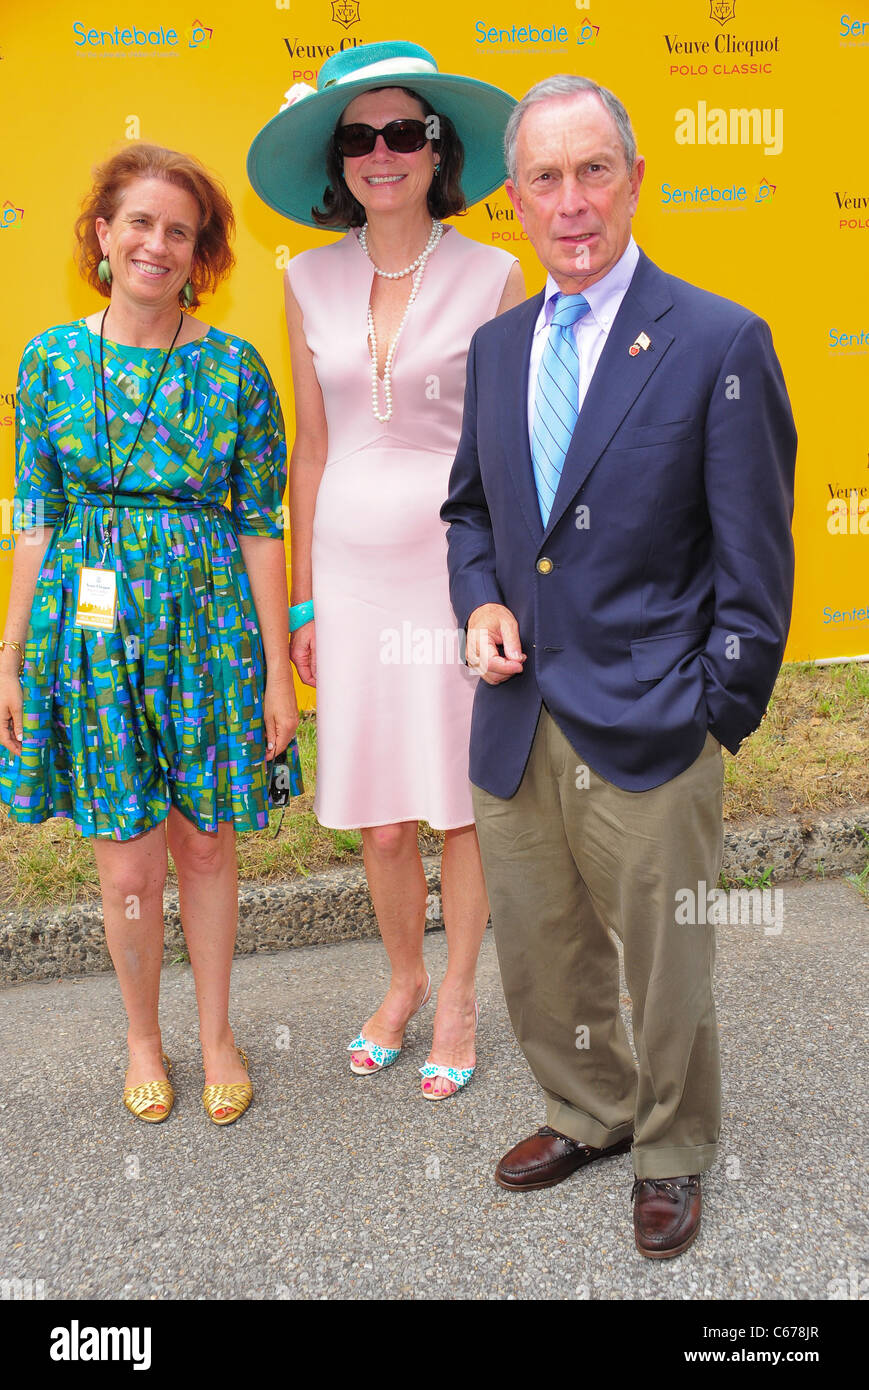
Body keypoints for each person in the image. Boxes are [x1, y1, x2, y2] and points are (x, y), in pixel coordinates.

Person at [442, 76, 796, 1253]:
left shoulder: (717, 340)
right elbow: (470, 515)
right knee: (541, 946)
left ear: (635, 180)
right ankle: (588, 1108)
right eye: (542, 178)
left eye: (593, 170)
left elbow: (754, 561)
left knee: (664, 959)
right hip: (514, 711)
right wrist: (480, 599)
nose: (571, 201)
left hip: (655, 718)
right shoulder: (497, 348)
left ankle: (672, 1144)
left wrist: (713, 715)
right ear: (515, 202)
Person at [0, 143, 300, 1127]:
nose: (156, 244)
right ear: (102, 233)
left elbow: (260, 526)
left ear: (199, 250)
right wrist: (11, 656)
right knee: (128, 859)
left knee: (206, 846)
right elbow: (35, 516)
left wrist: (272, 678)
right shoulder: (48, 362)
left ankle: (217, 1034)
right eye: (138, 222)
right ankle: (142, 1035)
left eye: (178, 230)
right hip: (87, 632)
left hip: (209, 627)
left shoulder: (234, 370)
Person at [247, 41, 525, 1098]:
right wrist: (306, 599)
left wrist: (497, 589)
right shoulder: (305, 280)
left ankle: (458, 994)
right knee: (377, 812)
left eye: (402, 131)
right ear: (338, 157)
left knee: (456, 800)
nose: (381, 152)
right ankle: (401, 979)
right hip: (352, 582)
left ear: (435, 147)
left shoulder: (493, 273)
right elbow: (309, 451)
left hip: (453, 572)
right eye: (359, 136)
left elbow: (506, 457)